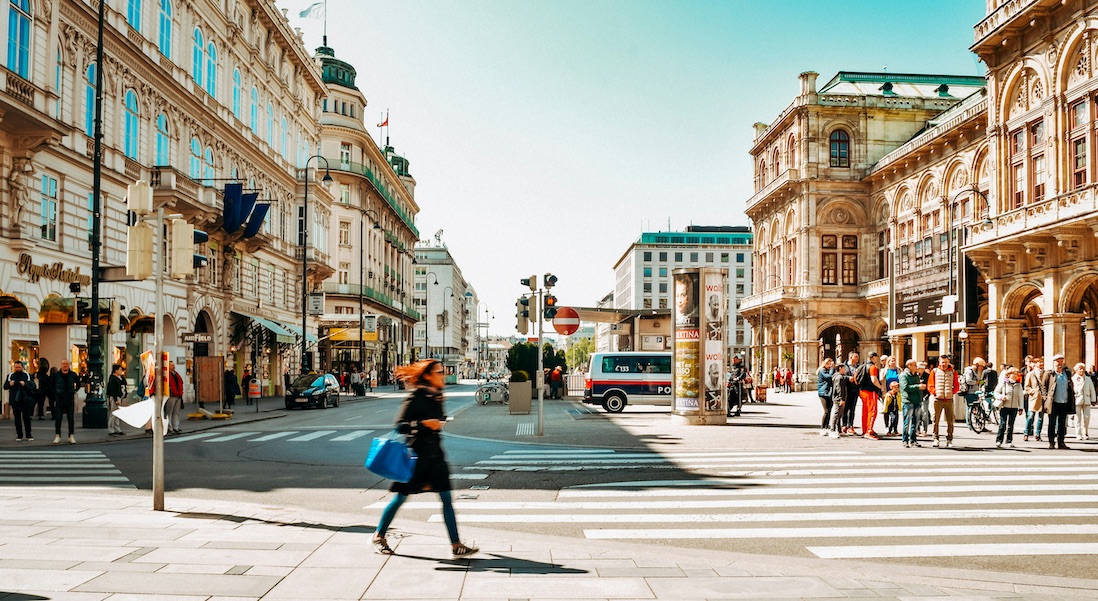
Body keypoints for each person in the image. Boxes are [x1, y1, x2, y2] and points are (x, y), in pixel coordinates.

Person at [371, 359, 478, 559]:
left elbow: (440, 420)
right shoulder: (417, 396)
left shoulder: (436, 396)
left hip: (436, 457)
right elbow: (401, 426)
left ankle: (456, 545)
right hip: (416, 458)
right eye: (439, 372)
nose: (442, 375)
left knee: (446, 498)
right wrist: (423, 424)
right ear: (428, 375)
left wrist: (438, 422)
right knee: (401, 497)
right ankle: (379, 535)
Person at [1040, 353, 1074, 450]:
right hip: (1053, 402)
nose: (1059, 363)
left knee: (1062, 423)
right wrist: (1045, 397)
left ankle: (1061, 442)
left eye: (1061, 361)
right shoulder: (1049, 373)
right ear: (1053, 362)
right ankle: (1051, 442)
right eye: (1057, 361)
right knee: (1052, 423)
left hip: (1064, 402)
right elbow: (1043, 386)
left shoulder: (1067, 373)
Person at [927, 354, 958, 448]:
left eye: (946, 362)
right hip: (938, 399)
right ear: (939, 362)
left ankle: (949, 439)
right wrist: (935, 392)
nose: (944, 364)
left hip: (949, 399)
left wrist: (952, 392)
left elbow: (956, 384)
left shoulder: (953, 372)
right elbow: (930, 384)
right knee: (935, 420)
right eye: (942, 362)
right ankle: (935, 438)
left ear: (948, 362)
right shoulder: (935, 371)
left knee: (950, 420)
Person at [994, 366, 1024, 448]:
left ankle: (1009, 441)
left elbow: (1020, 397)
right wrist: (1001, 397)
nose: (1015, 375)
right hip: (1004, 406)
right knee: (1003, 424)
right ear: (1009, 374)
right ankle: (999, 441)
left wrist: (1021, 407)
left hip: (1014, 407)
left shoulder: (1018, 385)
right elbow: (995, 392)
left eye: (1016, 374)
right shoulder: (1003, 383)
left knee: (1011, 425)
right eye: (1014, 374)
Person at [51, 359, 80, 444]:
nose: (65, 365)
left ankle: (71, 436)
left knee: (70, 418)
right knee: (58, 418)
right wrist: (55, 393)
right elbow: (51, 384)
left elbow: (78, 383)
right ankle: (57, 435)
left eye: (66, 364)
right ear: (61, 365)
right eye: (63, 363)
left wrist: (74, 390)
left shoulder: (73, 375)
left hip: (69, 399)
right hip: (59, 399)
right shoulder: (56, 375)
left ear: (69, 365)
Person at [4, 361, 35, 441]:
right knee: (17, 419)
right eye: (16, 367)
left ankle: (29, 435)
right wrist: (9, 384)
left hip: (25, 400)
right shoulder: (10, 376)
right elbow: (5, 386)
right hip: (15, 400)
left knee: (27, 418)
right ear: (14, 367)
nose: (17, 369)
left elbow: (33, 386)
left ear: (22, 368)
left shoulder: (27, 375)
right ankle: (19, 435)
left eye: (19, 367)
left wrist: (25, 384)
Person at [855, 351, 882, 440]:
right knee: (872, 411)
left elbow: (856, 378)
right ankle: (869, 431)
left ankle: (865, 430)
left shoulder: (860, 367)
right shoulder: (872, 367)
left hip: (862, 391)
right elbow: (874, 379)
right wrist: (881, 387)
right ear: (873, 358)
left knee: (865, 411)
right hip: (871, 391)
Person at [899, 359, 924, 448]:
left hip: (917, 400)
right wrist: (918, 386)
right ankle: (905, 440)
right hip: (908, 401)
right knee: (907, 422)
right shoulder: (903, 376)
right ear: (909, 366)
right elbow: (905, 387)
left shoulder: (916, 375)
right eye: (915, 365)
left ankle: (913, 440)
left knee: (916, 422)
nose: (916, 367)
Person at [961, 357, 987, 432]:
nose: (981, 368)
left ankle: (979, 424)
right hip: (970, 392)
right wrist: (977, 382)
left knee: (977, 408)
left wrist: (982, 382)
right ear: (977, 364)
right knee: (970, 408)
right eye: (981, 366)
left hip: (975, 392)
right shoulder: (969, 371)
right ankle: (970, 425)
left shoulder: (974, 371)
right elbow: (969, 381)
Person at [1023, 356, 1045, 442]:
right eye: (1039, 364)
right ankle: (1026, 433)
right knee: (1030, 416)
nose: (1041, 365)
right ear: (1035, 365)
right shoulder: (1030, 374)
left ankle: (1038, 434)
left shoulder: (1045, 374)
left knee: (1041, 417)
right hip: (1034, 398)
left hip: (1043, 398)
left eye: (1042, 364)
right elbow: (1026, 387)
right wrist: (1033, 392)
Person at [1072, 362, 1094, 441]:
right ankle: (1078, 434)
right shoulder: (1073, 379)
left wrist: (1093, 399)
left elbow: (1092, 390)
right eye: (1080, 369)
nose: (1081, 370)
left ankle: (1086, 433)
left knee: (1086, 418)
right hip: (1077, 400)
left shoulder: (1088, 379)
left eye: (1083, 369)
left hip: (1086, 400)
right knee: (1077, 419)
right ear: (1076, 370)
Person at [842, 351, 860, 435]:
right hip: (846, 390)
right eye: (856, 356)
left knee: (852, 409)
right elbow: (839, 376)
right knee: (845, 408)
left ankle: (850, 425)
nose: (857, 358)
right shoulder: (843, 366)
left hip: (855, 390)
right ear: (851, 357)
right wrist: (847, 378)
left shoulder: (858, 367)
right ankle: (844, 425)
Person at [106, 363, 127, 436]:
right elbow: (112, 390)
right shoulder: (113, 379)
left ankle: (117, 429)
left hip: (118, 396)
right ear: (116, 370)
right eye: (120, 369)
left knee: (117, 414)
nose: (121, 371)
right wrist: (115, 399)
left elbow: (124, 383)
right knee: (114, 413)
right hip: (115, 397)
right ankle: (111, 429)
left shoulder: (118, 378)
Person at [829, 363, 849, 439]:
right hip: (838, 399)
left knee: (839, 414)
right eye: (844, 368)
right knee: (836, 414)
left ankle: (838, 429)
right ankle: (832, 430)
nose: (845, 370)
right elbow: (839, 389)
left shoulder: (836, 376)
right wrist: (842, 399)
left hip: (837, 398)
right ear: (840, 368)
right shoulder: (839, 377)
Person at [816, 358, 835, 436]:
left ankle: (827, 427)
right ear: (824, 363)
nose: (829, 364)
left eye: (830, 363)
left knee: (829, 411)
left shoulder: (829, 370)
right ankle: (822, 428)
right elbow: (829, 377)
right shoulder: (822, 371)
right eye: (828, 363)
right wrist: (832, 368)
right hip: (823, 393)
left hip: (829, 393)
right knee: (826, 411)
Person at [166, 361, 184, 434]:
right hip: (171, 395)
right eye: (172, 365)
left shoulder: (176, 374)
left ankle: (175, 426)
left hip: (178, 395)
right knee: (169, 412)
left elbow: (181, 382)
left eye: (174, 365)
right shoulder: (167, 375)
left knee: (176, 412)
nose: (174, 366)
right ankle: (169, 427)